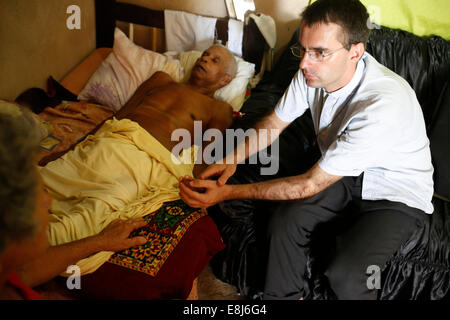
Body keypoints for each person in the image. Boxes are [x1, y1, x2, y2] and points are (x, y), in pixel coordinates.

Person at [179, 0, 433, 300]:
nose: (303, 63)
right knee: (285, 221)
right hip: (343, 173)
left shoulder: (381, 104)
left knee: (349, 276)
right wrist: (230, 160)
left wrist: (225, 193)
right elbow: (274, 123)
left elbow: (309, 184)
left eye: (320, 52)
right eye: (303, 49)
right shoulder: (311, 74)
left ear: (355, 51)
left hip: (395, 192)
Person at [35, 44, 238, 277]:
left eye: (215, 60)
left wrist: (199, 189)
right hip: (110, 142)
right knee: (44, 182)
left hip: (145, 160)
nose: (205, 59)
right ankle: (19, 234)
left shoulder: (220, 109)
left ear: (225, 79)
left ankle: (38, 252)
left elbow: (204, 155)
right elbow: (118, 116)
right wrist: (71, 148)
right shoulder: (161, 80)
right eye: (205, 55)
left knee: (97, 210)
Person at [0, 101, 147, 299]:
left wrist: (99, 241)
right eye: (40, 192)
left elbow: (25, 271)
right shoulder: (159, 80)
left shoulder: (9, 270)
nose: (48, 201)